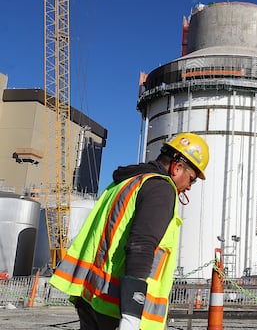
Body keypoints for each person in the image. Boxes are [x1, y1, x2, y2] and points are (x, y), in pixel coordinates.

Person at [50, 132, 209, 330]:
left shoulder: (123, 184)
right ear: (177, 167)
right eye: (192, 179)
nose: (189, 187)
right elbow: (142, 244)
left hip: (91, 297)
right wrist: (132, 315)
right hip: (117, 308)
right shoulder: (161, 188)